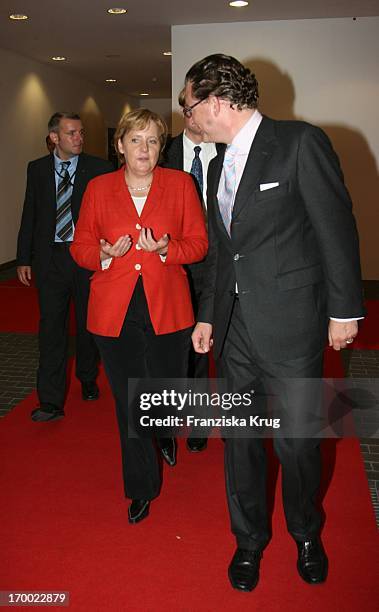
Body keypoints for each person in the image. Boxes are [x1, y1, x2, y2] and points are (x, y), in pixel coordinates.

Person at [186, 54, 364, 591]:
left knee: (297, 442)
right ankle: (249, 541)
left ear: (215, 101)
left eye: (188, 105)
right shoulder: (215, 164)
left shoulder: (299, 142)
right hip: (234, 327)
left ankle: (306, 533)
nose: (186, 116)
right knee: (239, 439)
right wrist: (207, 316)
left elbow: (336, 228)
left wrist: (344, 310)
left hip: (292, 326)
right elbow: (222, 251)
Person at [70, 108, 208, 524]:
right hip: (114, 309)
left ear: (160, 146)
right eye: (135, 140)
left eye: (151, 141)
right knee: (130, 402)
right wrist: (103, 256)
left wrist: (166, 249)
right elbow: (80, 247)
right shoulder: (98, 187)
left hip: (168, 304)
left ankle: (164, 431)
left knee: (164, 392)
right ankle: (141, 486)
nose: (143, 149)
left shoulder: (181, 184)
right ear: (119, 145)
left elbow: (199, 245)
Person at [17, 112, 113, 422]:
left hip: (86, 257)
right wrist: (23, 258)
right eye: (72, 133)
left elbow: (109, 214)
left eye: (81, 132)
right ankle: (50, 401)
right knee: (51, 329)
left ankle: (86, 376)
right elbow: (30, 213)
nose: (79, 138)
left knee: (87, 324)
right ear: (54, 137)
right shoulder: (37, 169)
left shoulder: (99, 169)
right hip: (50, 260)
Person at [163, 88, 221, 452]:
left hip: (215, 262)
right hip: (169, 260)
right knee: (171, 344)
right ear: (188, 113)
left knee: (206, 343)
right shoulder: (163, 152)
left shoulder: (229, 151)